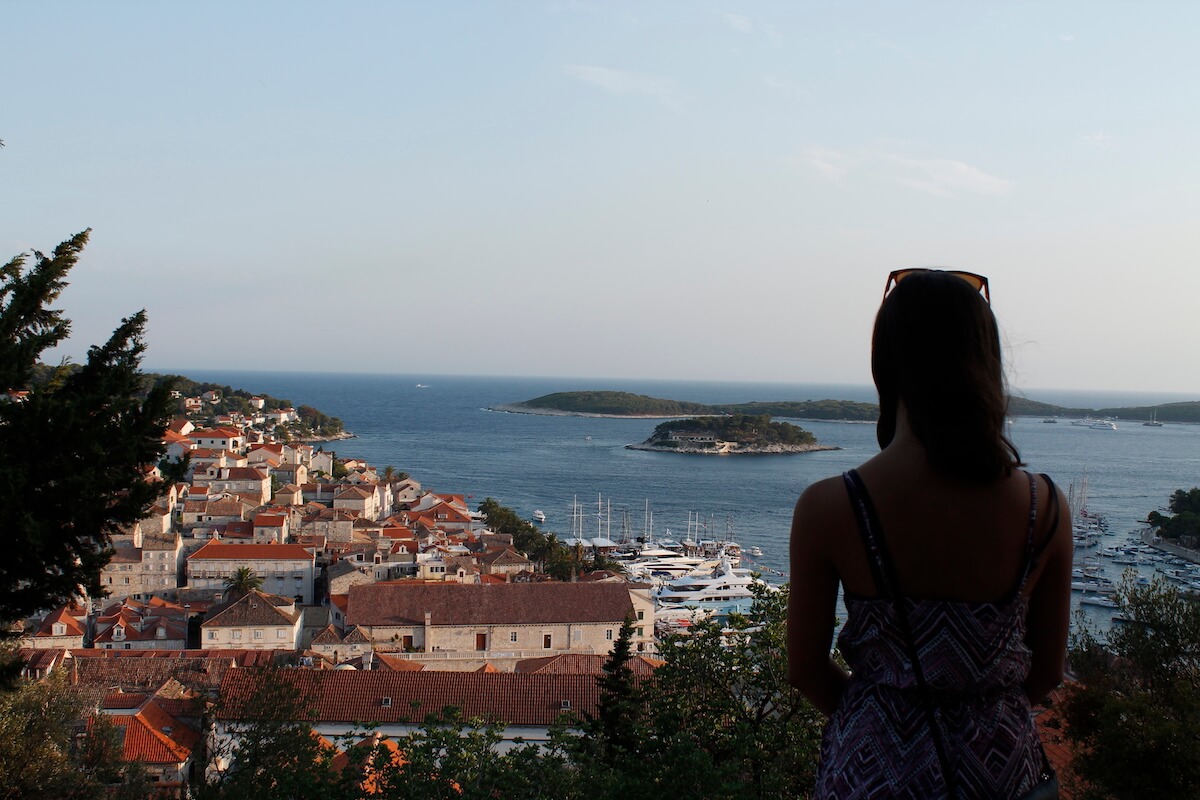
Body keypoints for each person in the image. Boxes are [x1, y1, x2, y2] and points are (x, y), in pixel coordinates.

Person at [787, 269, 1072, 799]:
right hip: (1002, 771)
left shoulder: (829, 507)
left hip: (872, 771)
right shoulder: (1046, 506)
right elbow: (1049, 671)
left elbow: (806, 669)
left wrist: (887, 717)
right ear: (986, 363)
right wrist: (981, 712)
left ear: (886, 364)